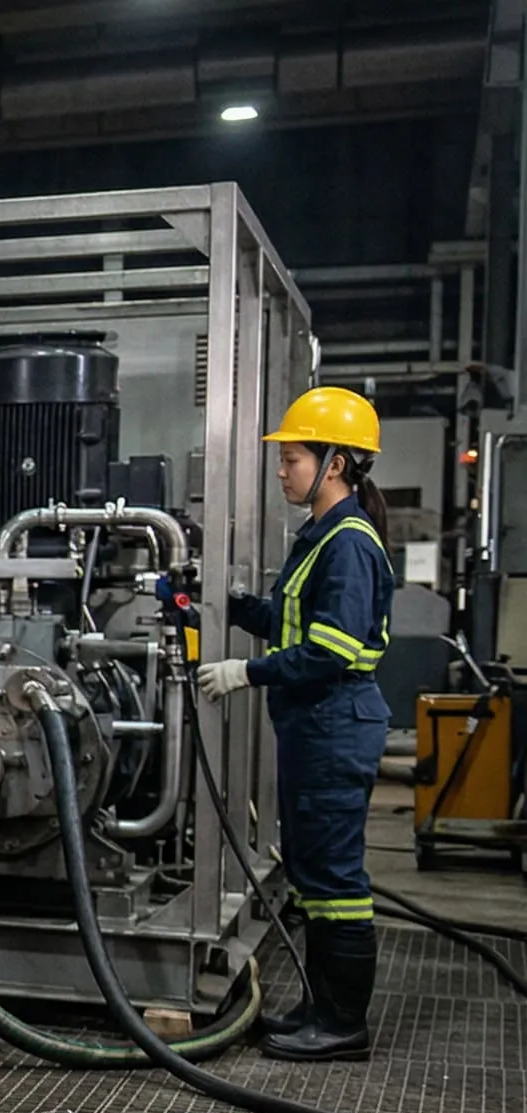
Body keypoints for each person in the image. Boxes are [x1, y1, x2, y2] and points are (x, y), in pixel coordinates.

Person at [198, 386, 394, 1063]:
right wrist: (224, 605)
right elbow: (291, 623)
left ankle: (342, 1024)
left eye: (292, 459)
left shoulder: (348, 543)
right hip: (317, 724)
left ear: (334, 464)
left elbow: (330, 649)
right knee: (312, 871)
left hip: (335, 722)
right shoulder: (321, 537)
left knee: (334, 880)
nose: (282, 470)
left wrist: (244, 672)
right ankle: (319, 1008)